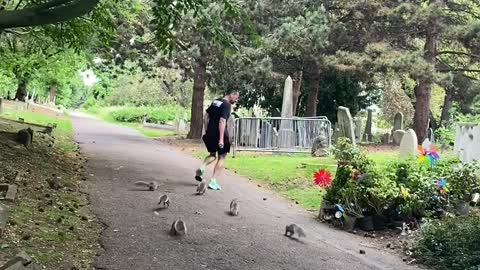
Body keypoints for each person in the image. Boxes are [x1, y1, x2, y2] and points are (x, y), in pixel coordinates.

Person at [195, 90, 239, 190]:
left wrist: (206, 130)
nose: (236, 100)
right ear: (231, 95)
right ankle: (213, 181)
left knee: (212, 155)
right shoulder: (227, 105)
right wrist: (221, 139)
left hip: (210, 133)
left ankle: (202, 167)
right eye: (236, 98)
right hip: (220, 134)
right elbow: (222, 121)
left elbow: (206, 116)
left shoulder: (215, 102)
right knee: (222, 157)